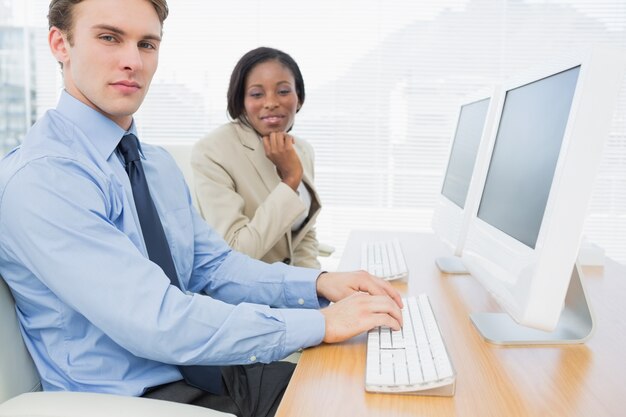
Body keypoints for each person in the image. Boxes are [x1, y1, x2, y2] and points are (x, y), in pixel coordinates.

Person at [0, 1, 403, 417]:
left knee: (376, 392)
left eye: (147, 44)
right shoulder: (44, 177)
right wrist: (322, 324)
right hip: (134, 400)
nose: (132, 61)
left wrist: (319, 285)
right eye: (109, 38)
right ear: (59, 43)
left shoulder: (154, 164)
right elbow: (156, 320)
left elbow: (213, 268)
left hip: (209, 369)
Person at [192, 47, 322, 269]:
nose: (271, 102)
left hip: (296, 292)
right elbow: (236, 251)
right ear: (241, 100)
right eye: (256, 94)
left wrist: (316, 287)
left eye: (283, 91)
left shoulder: (302, 149)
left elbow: (303, 234)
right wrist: (290, 180)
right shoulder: (213, 151)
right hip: (244, 293)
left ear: (298, 98)